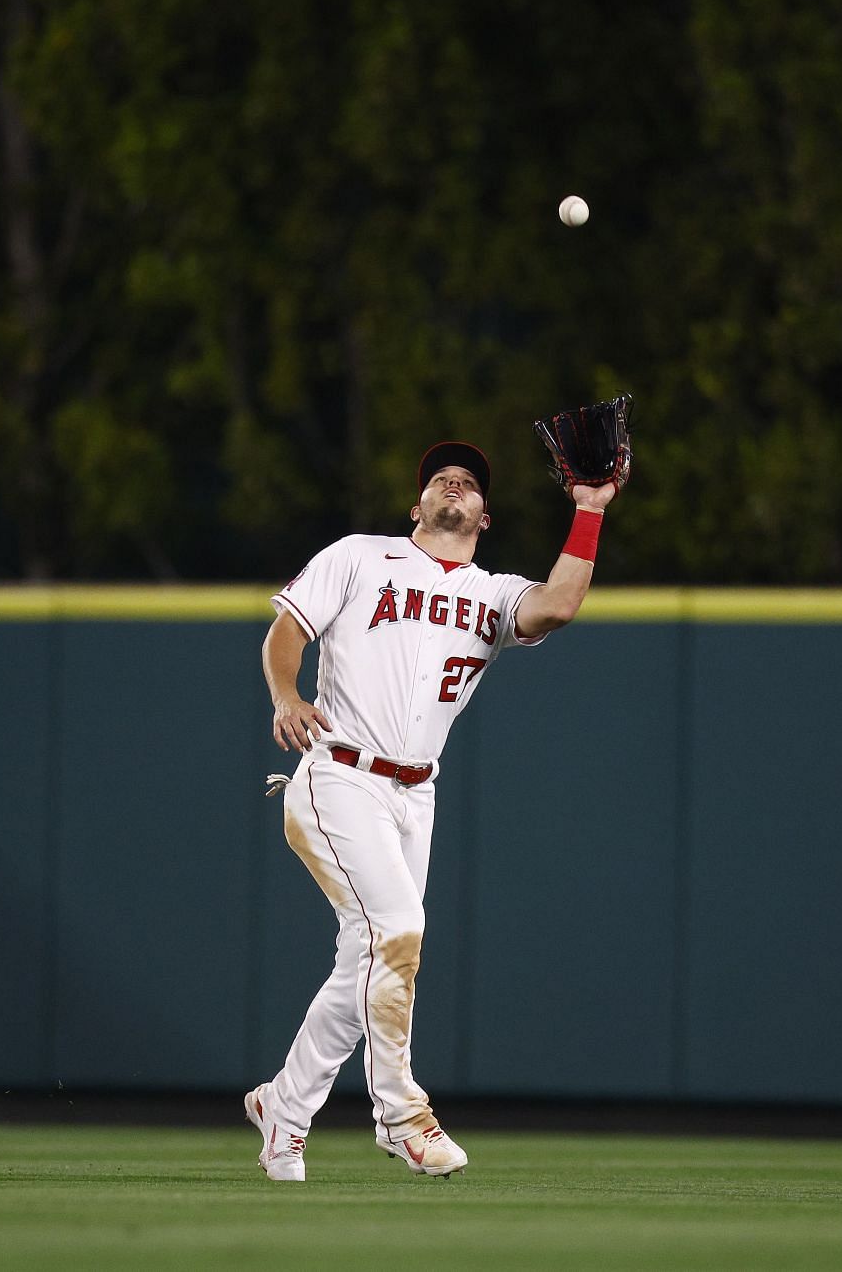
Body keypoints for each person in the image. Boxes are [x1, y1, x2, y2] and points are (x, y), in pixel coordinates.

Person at [243, 440, 614, 1181]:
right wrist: (286, 693)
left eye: (470, 482)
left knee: (369, 961)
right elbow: (286, 629)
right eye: (441, 479)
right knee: (400, 930)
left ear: (483, 514)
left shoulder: (494, 592)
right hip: (338, 773)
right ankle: (402, 1117)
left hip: (416, 794)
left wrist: (589, 510)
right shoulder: (359, 555)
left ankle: (284, 1104)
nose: (455, 483)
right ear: (418, 506)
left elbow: (561, 603)